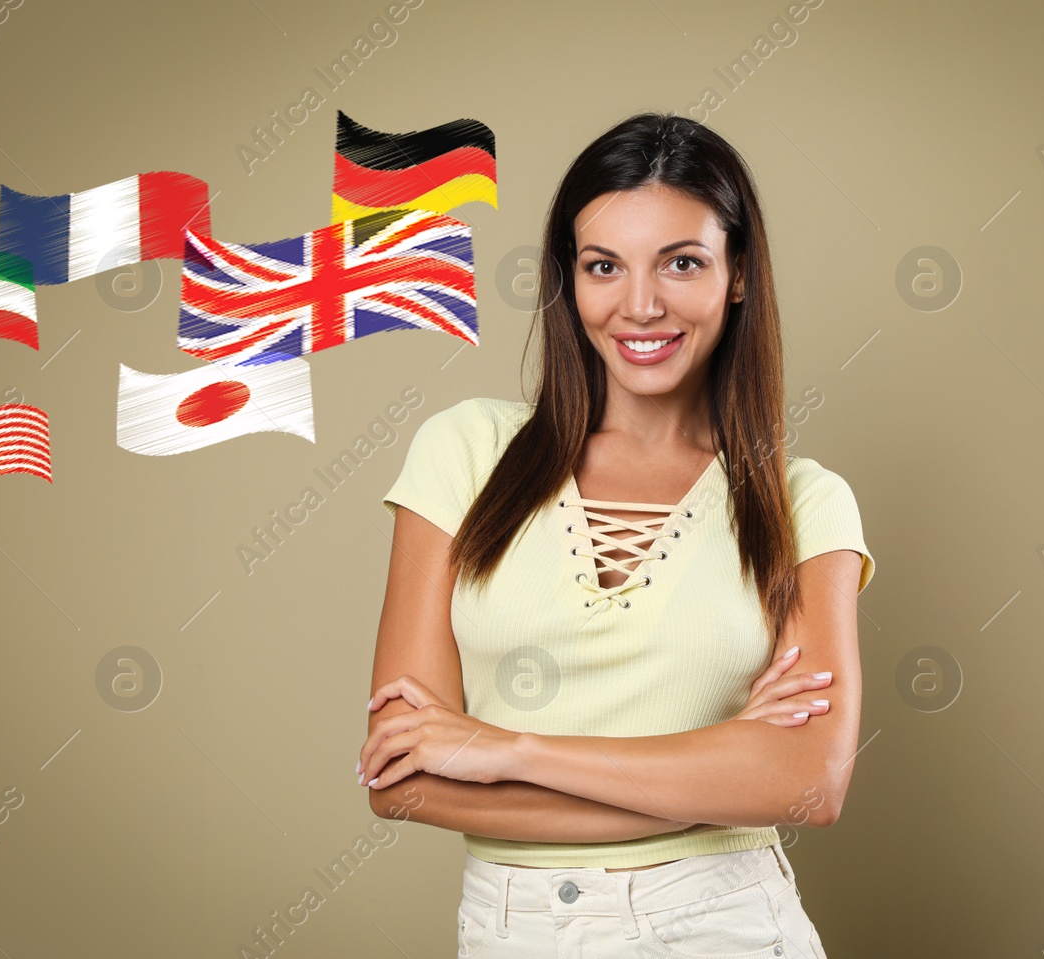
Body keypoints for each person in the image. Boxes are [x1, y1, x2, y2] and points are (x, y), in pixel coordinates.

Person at [359, 112, 876, 959]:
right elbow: (401, 783)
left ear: (737, 274)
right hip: (510, 931)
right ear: (568, 279)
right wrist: (722, 767)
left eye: (682, 262)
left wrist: (504, 748)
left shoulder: (803, 504)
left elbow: (809, 783)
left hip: (726, 927)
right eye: (604, 266)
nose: (641, 304)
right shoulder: (464, 452)